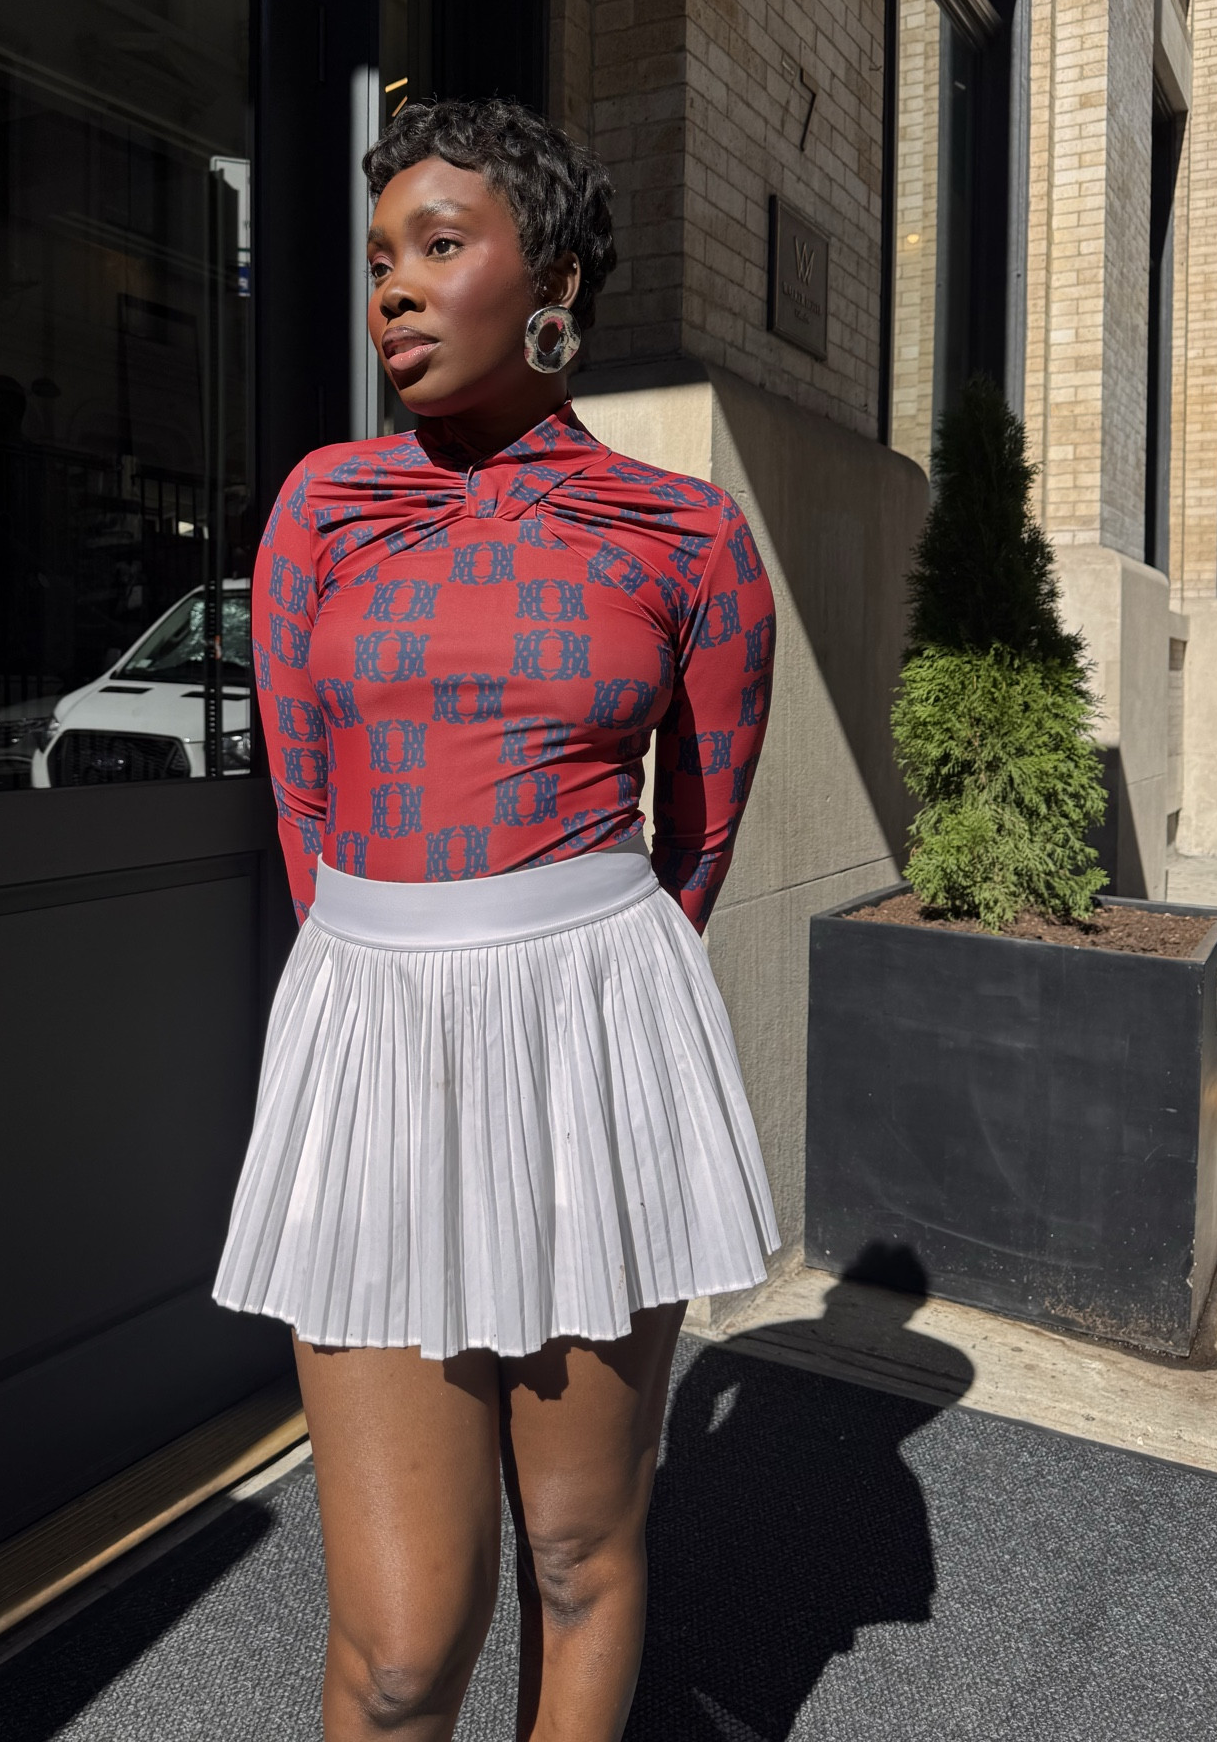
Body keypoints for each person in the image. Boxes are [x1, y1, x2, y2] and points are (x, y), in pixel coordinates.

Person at [215, 98, 779, 1741]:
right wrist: (408, 977)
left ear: (558, 283)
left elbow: (704, 833)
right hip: (378, 1034)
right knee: (399, 1650)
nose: (391, 288)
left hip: (594, 1037)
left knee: (583, 1552)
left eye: (438, 247)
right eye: (381, 256)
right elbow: (306, 812)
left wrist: (576, 985)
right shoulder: (325, 508)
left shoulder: (688, 536)